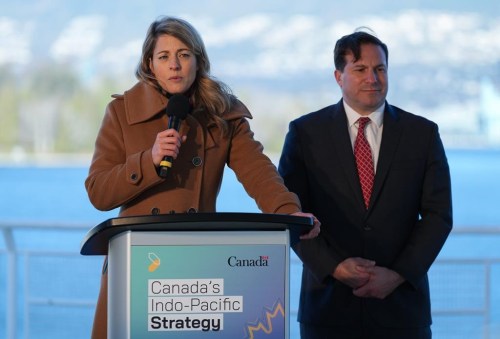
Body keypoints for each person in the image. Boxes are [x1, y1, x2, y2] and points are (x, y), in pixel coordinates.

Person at [84, 16, 320, 338]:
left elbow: (258, 172)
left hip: (198, 268)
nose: (175, 65)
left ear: (198, 60)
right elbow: (98, 192)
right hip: (136, 266)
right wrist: (149, 161)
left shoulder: (224, 114)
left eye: (183, 54)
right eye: (164, 56)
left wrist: (289, 213)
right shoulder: (122, 113)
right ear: (150, 64)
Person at [278, 29, 452, 338]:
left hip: (401, 310)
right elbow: (290, 216)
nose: (372, 77)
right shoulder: (305, 134)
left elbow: (439, 216)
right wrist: (334, 267)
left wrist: (397, 275)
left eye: (380, 69)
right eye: (360, 69)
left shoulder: (422, 134)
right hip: (328, 308)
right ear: (338, 76)